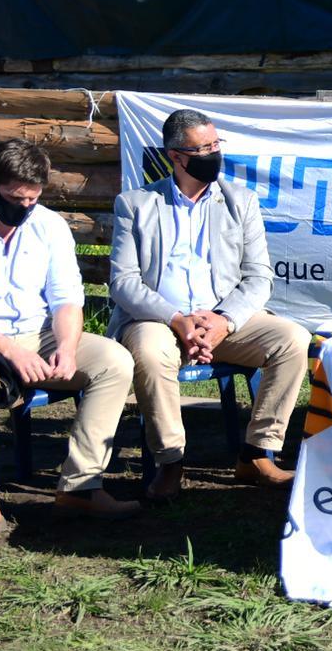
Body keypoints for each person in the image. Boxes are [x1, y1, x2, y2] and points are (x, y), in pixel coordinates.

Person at [0, 139, 139, 548]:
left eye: (32, 199)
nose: (24, 207)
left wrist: (68, 346)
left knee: (114, 361)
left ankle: (80, 486)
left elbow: (66, 296)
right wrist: (11, 351)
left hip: (38, 332)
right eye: (15, 198)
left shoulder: (48, 224)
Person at [109, 109, 311, 502]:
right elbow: (124, 281)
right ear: (176, 156)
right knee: (150, 351)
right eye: (202, 149)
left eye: (216, 145)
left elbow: (258, 276)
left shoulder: (240, 201)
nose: (213, 154)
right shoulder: (135, 204)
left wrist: (224, 321)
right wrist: (176, 319)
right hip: (158, 318)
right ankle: (171, 462)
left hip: (222, 317)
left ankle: (256, 454)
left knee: (292, 339)